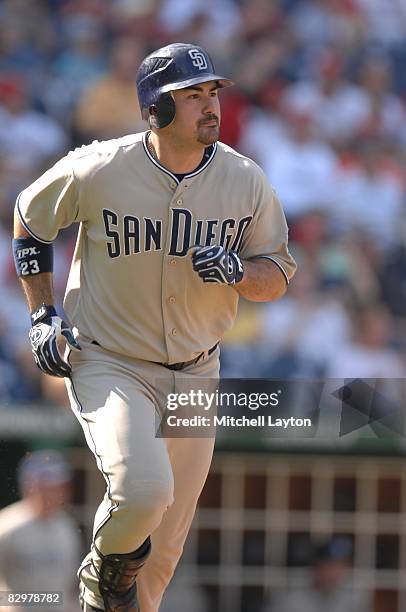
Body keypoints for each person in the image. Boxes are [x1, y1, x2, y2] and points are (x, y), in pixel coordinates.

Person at [12, 42, 296, 612]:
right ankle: (98, 574)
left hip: (197, 371)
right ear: (155, 110)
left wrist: (241, 270)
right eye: (191, 96)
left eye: (212, 92)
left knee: (161, 560)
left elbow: (279, 272)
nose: (209, 105)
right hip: (110, 359)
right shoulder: (101, 167)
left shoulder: (245, 180)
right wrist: (43, 313)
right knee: (144, 492)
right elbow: (29, 219)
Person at [0, 450, 80, 612]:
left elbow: (70, 586)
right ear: (31, 485)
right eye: (48, 485)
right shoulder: (7, 525)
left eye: (59, 486)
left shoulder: (67, 526)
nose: (57, 492)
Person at [268, 537, 372, 612]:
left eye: (341, 566)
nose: (335, 573)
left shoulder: (354, 602)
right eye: (330, 566)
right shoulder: (290, 601)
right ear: (316, 568)